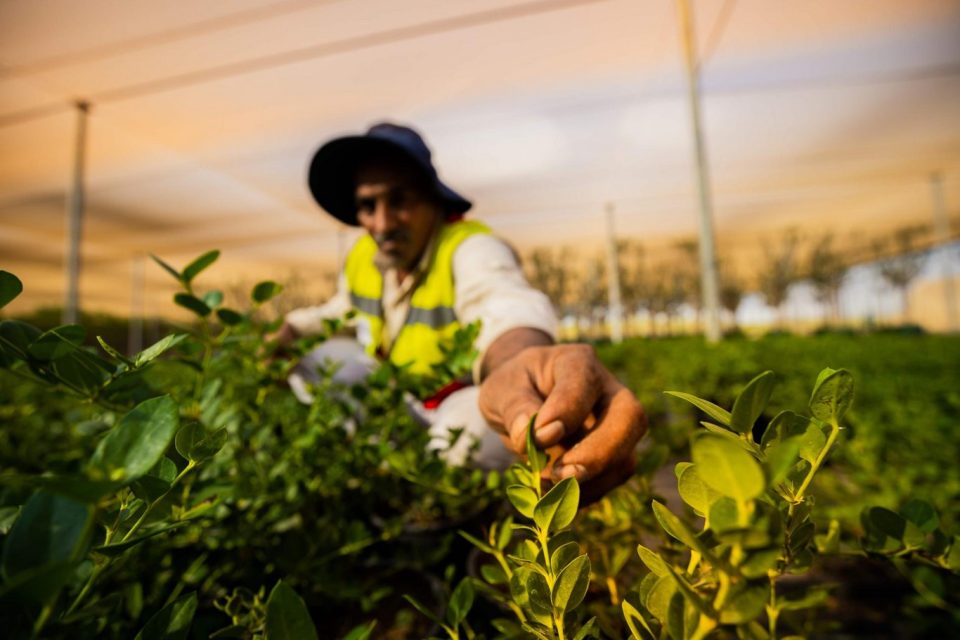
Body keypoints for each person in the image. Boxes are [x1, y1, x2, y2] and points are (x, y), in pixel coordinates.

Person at [275, 122, 647, 503]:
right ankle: (381, 480)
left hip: (460, 404)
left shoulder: (470, 248)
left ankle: (456, 509)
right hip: (397, 402)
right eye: (368, 206)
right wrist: (287, 330)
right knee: (318, 358)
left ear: (433, 201)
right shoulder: (363, 260)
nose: (382, 224)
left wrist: (521, 363)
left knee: (469, 438)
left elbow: (504, 303)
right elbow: (341, 311)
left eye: (399, 201)